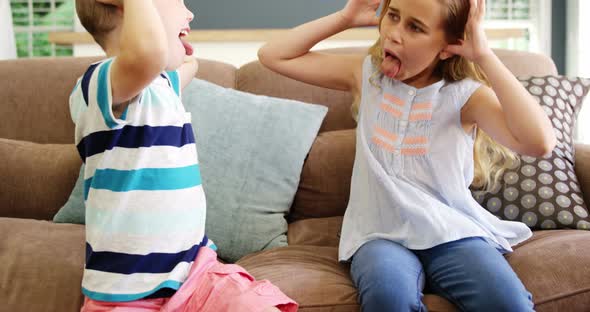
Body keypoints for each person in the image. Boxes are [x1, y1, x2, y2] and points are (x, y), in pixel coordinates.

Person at [258, 0, 556, 310]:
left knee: (509, 303)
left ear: (448, 46)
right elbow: (272, 55)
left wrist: (483, 54)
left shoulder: (464, 96)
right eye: (393, 16)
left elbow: (539, 143)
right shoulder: (366, 76)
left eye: (415, 27)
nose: (394, 34)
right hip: (379, 234)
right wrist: (344, 17)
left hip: (450, 233)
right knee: (388, 298)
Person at [70, 0, 298, 311]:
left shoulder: (163, 85)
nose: (190, 13)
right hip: (125, 290)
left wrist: (177, 48)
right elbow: (147, 55)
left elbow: (187, 66)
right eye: (177, 1)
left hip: (197, 274)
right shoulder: (99, 82)